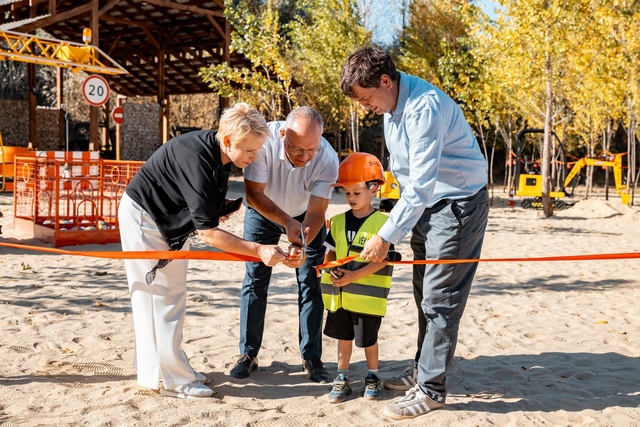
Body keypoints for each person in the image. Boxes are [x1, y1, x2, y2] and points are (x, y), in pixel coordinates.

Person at [340, 46, 489, 419]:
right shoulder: (392, 109)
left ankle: (432, 390)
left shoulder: (423, 109)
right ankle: (424, 370)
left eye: (366, 97)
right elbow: (408, 180)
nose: (365, 106)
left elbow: (421, 185)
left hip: (457, 204)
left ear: (386, 82)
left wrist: (386, 235)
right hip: (428, 206)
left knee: (440, 298)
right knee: (424, 292)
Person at [118, 103, 287, 399]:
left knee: (171, 295)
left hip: (166, 219)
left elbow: (203, 207)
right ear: (227, 141)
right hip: (145, 218)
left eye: (257, 150)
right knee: (159, 297)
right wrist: (258, 249)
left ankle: (164, 369)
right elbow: (208, 234)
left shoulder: (217, 153)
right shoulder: (197, 157)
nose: (254, 157)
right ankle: (174, 380)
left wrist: (218, 210)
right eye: (249, 151)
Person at [230, 106, 339, 383]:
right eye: (296, 149)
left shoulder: (327, 158)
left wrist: (300, 245)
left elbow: (317, 213)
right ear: (282, 134)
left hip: (305, 216)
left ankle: (312, 357)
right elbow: (253, 195)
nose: (304, 157)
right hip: (264, 209)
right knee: (255, 279)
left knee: (310, 281)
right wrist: (286, 222)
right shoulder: (263, 142)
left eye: (310, 150)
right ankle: (248, 354)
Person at [319, 152, 395, 403]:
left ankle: (372, 376)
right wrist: (331, 269)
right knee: (343, 338)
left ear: (373, 189)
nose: (350, 198)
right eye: (347, 193)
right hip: (340, 296)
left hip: (367, 300)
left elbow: (383, 261)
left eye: (356, 192)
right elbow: (330, 254)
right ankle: (342, 377)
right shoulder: (338, 221)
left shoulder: (384, 225)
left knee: (368, 340)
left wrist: (354, 275)